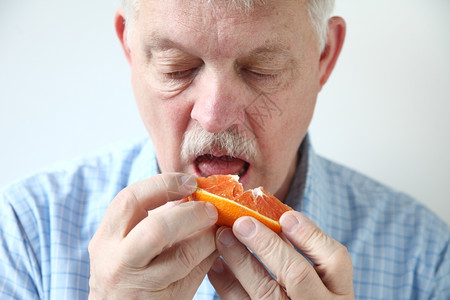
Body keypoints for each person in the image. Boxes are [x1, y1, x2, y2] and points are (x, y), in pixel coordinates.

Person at [1, 0, 449, 299]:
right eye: (178, 68)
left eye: (262, 68)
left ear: (323, 56)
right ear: (131, 50)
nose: (214, 116)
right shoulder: (24, 237)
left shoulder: (427, 264)